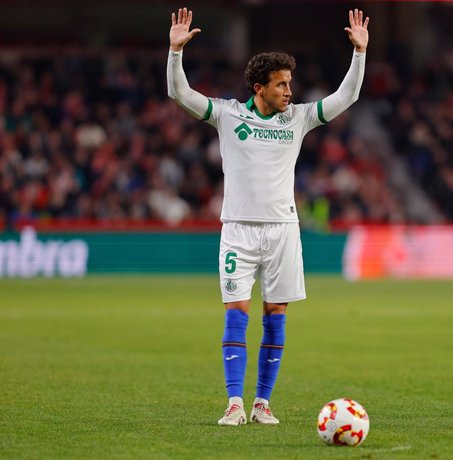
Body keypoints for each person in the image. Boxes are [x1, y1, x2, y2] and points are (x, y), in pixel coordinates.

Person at [167, 7, 369, 426]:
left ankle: (262, 404)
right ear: (259, 87)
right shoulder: (227, 114)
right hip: (238, 231)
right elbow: (180, 95)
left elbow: (345, 97)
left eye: (289, 84)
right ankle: (234, 404)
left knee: (276, 317)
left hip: (283, 231)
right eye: (281, 85)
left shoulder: (296, 119)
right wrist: (175, 53)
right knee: (236, 314)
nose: (288, 92)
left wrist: (359, 54)